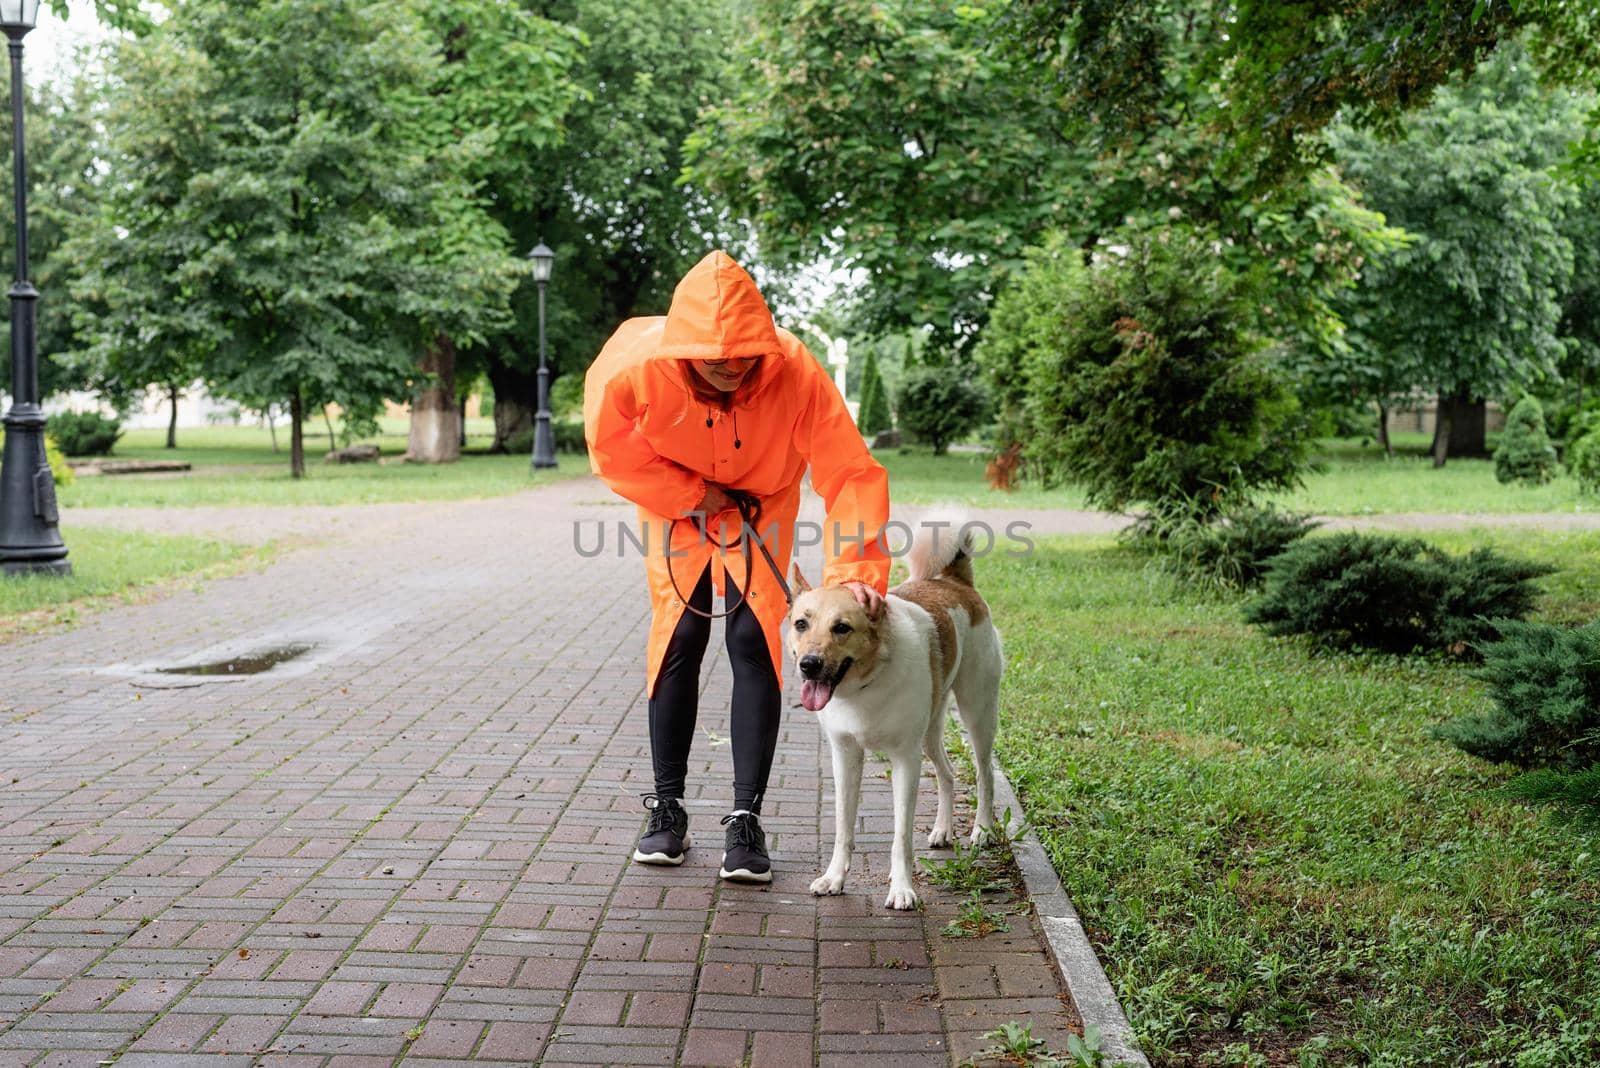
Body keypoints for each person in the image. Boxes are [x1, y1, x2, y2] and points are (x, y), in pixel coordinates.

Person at [583, 250, 890, 883]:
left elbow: (850, 470)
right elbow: (610, 448)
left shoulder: (795, 368)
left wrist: (858, 566)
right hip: (679, 508)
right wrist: (692, 495)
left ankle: (745, 820)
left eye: (743, 357)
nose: (731, 368)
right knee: (680, 637)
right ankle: (666, 811)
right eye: (714, 360)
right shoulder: (634, 365)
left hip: (761, 502)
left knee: (753, 640)